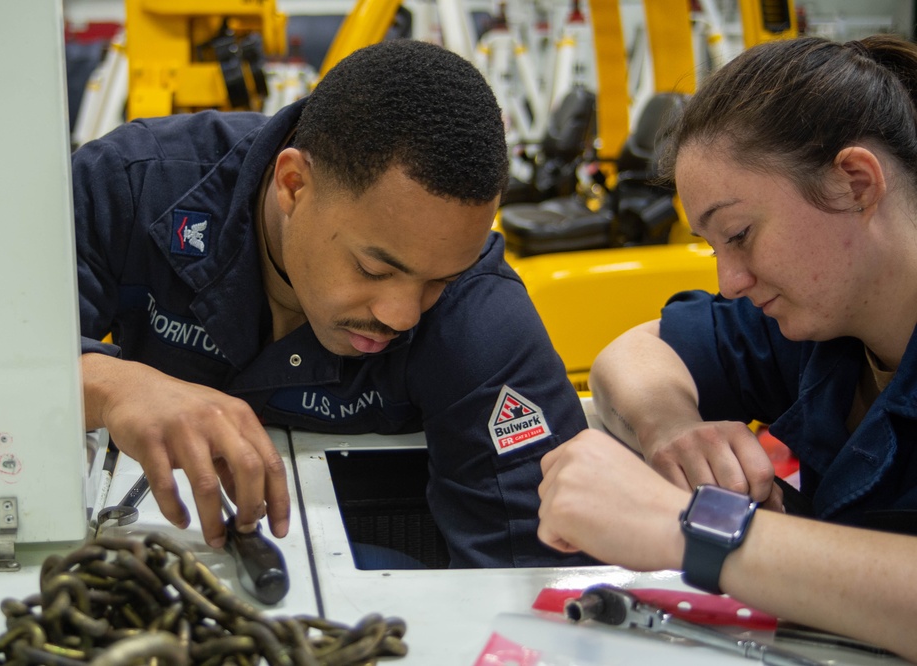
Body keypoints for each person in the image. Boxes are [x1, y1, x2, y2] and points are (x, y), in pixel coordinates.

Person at [73, 38, 592, 568]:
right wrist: (109, 385)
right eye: (374, 268)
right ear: (293, 185)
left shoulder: (480, 317)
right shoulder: (130, 187)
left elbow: (544, 573)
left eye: (439, 280)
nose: (402, 315)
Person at [538, 34, 917, 660]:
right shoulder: (825, 327)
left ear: (855, 182)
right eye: (715, 247)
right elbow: (632, 355)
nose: (729, 281)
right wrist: (672, 430)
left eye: (740, 234)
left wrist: (694, 532)